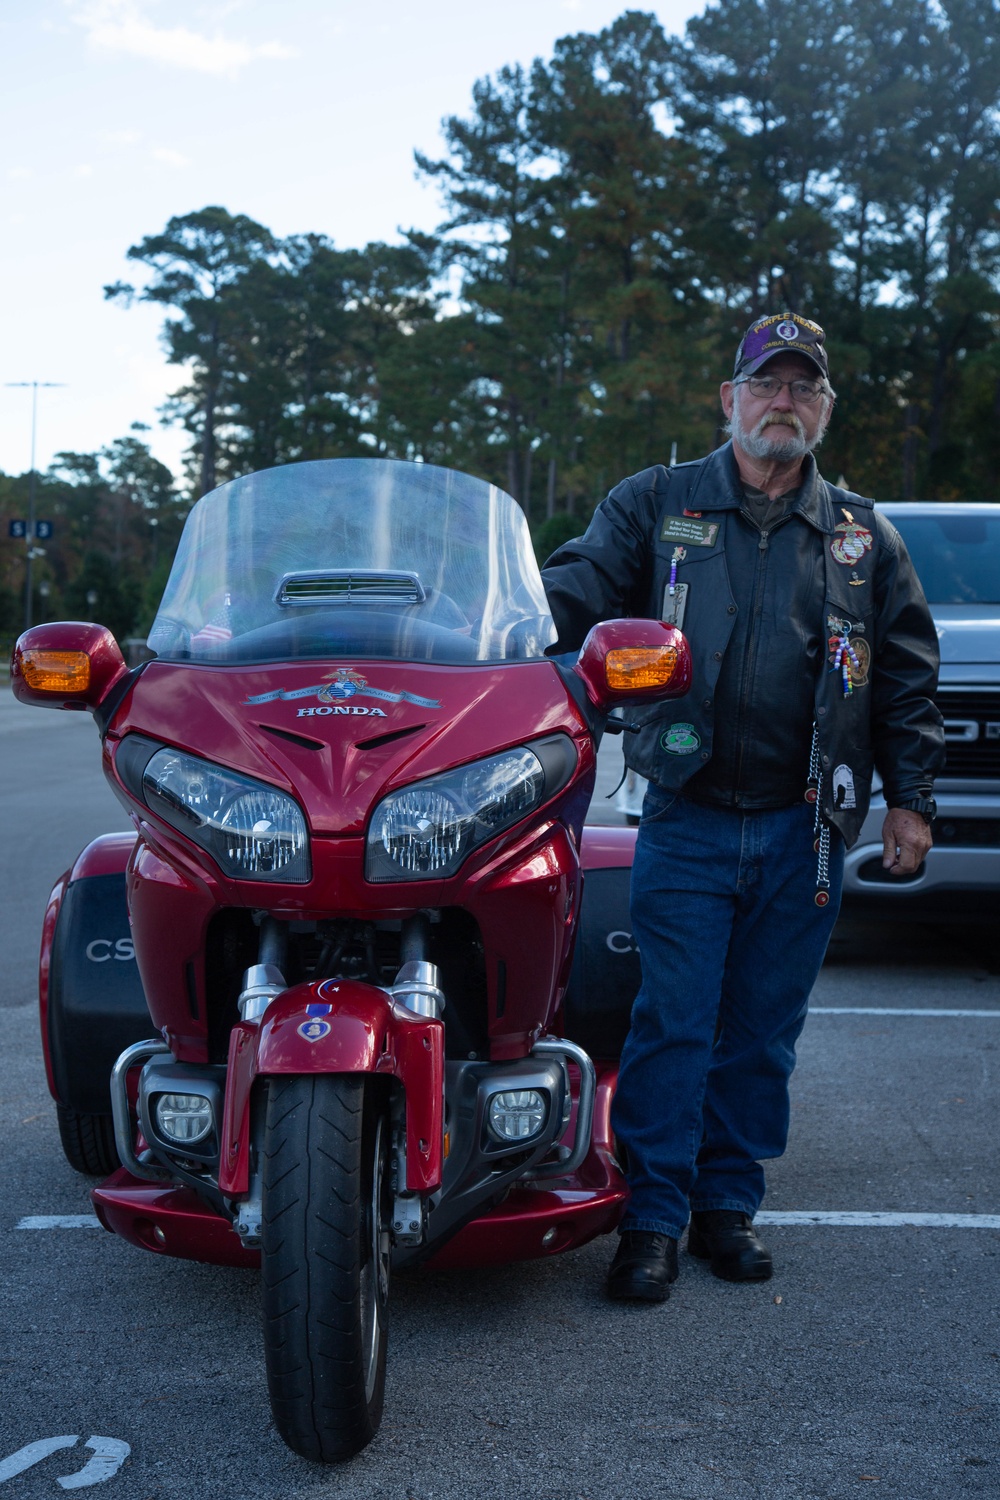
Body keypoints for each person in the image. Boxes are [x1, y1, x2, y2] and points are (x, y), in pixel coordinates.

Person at [541, 312, 945, 1302]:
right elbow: (573, 592)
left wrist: (911, 803)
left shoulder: (860, 538)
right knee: (674, 1021)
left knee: (762, 1031)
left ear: (825, 411)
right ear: (728, 400)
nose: (784, 402)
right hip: (685, 815)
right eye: (767, 384)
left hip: (805, 829)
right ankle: (653, 1217)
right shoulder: (657, 505)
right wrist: (495, 621)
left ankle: (728, 1206)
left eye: (804, 388)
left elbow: (904, 678)